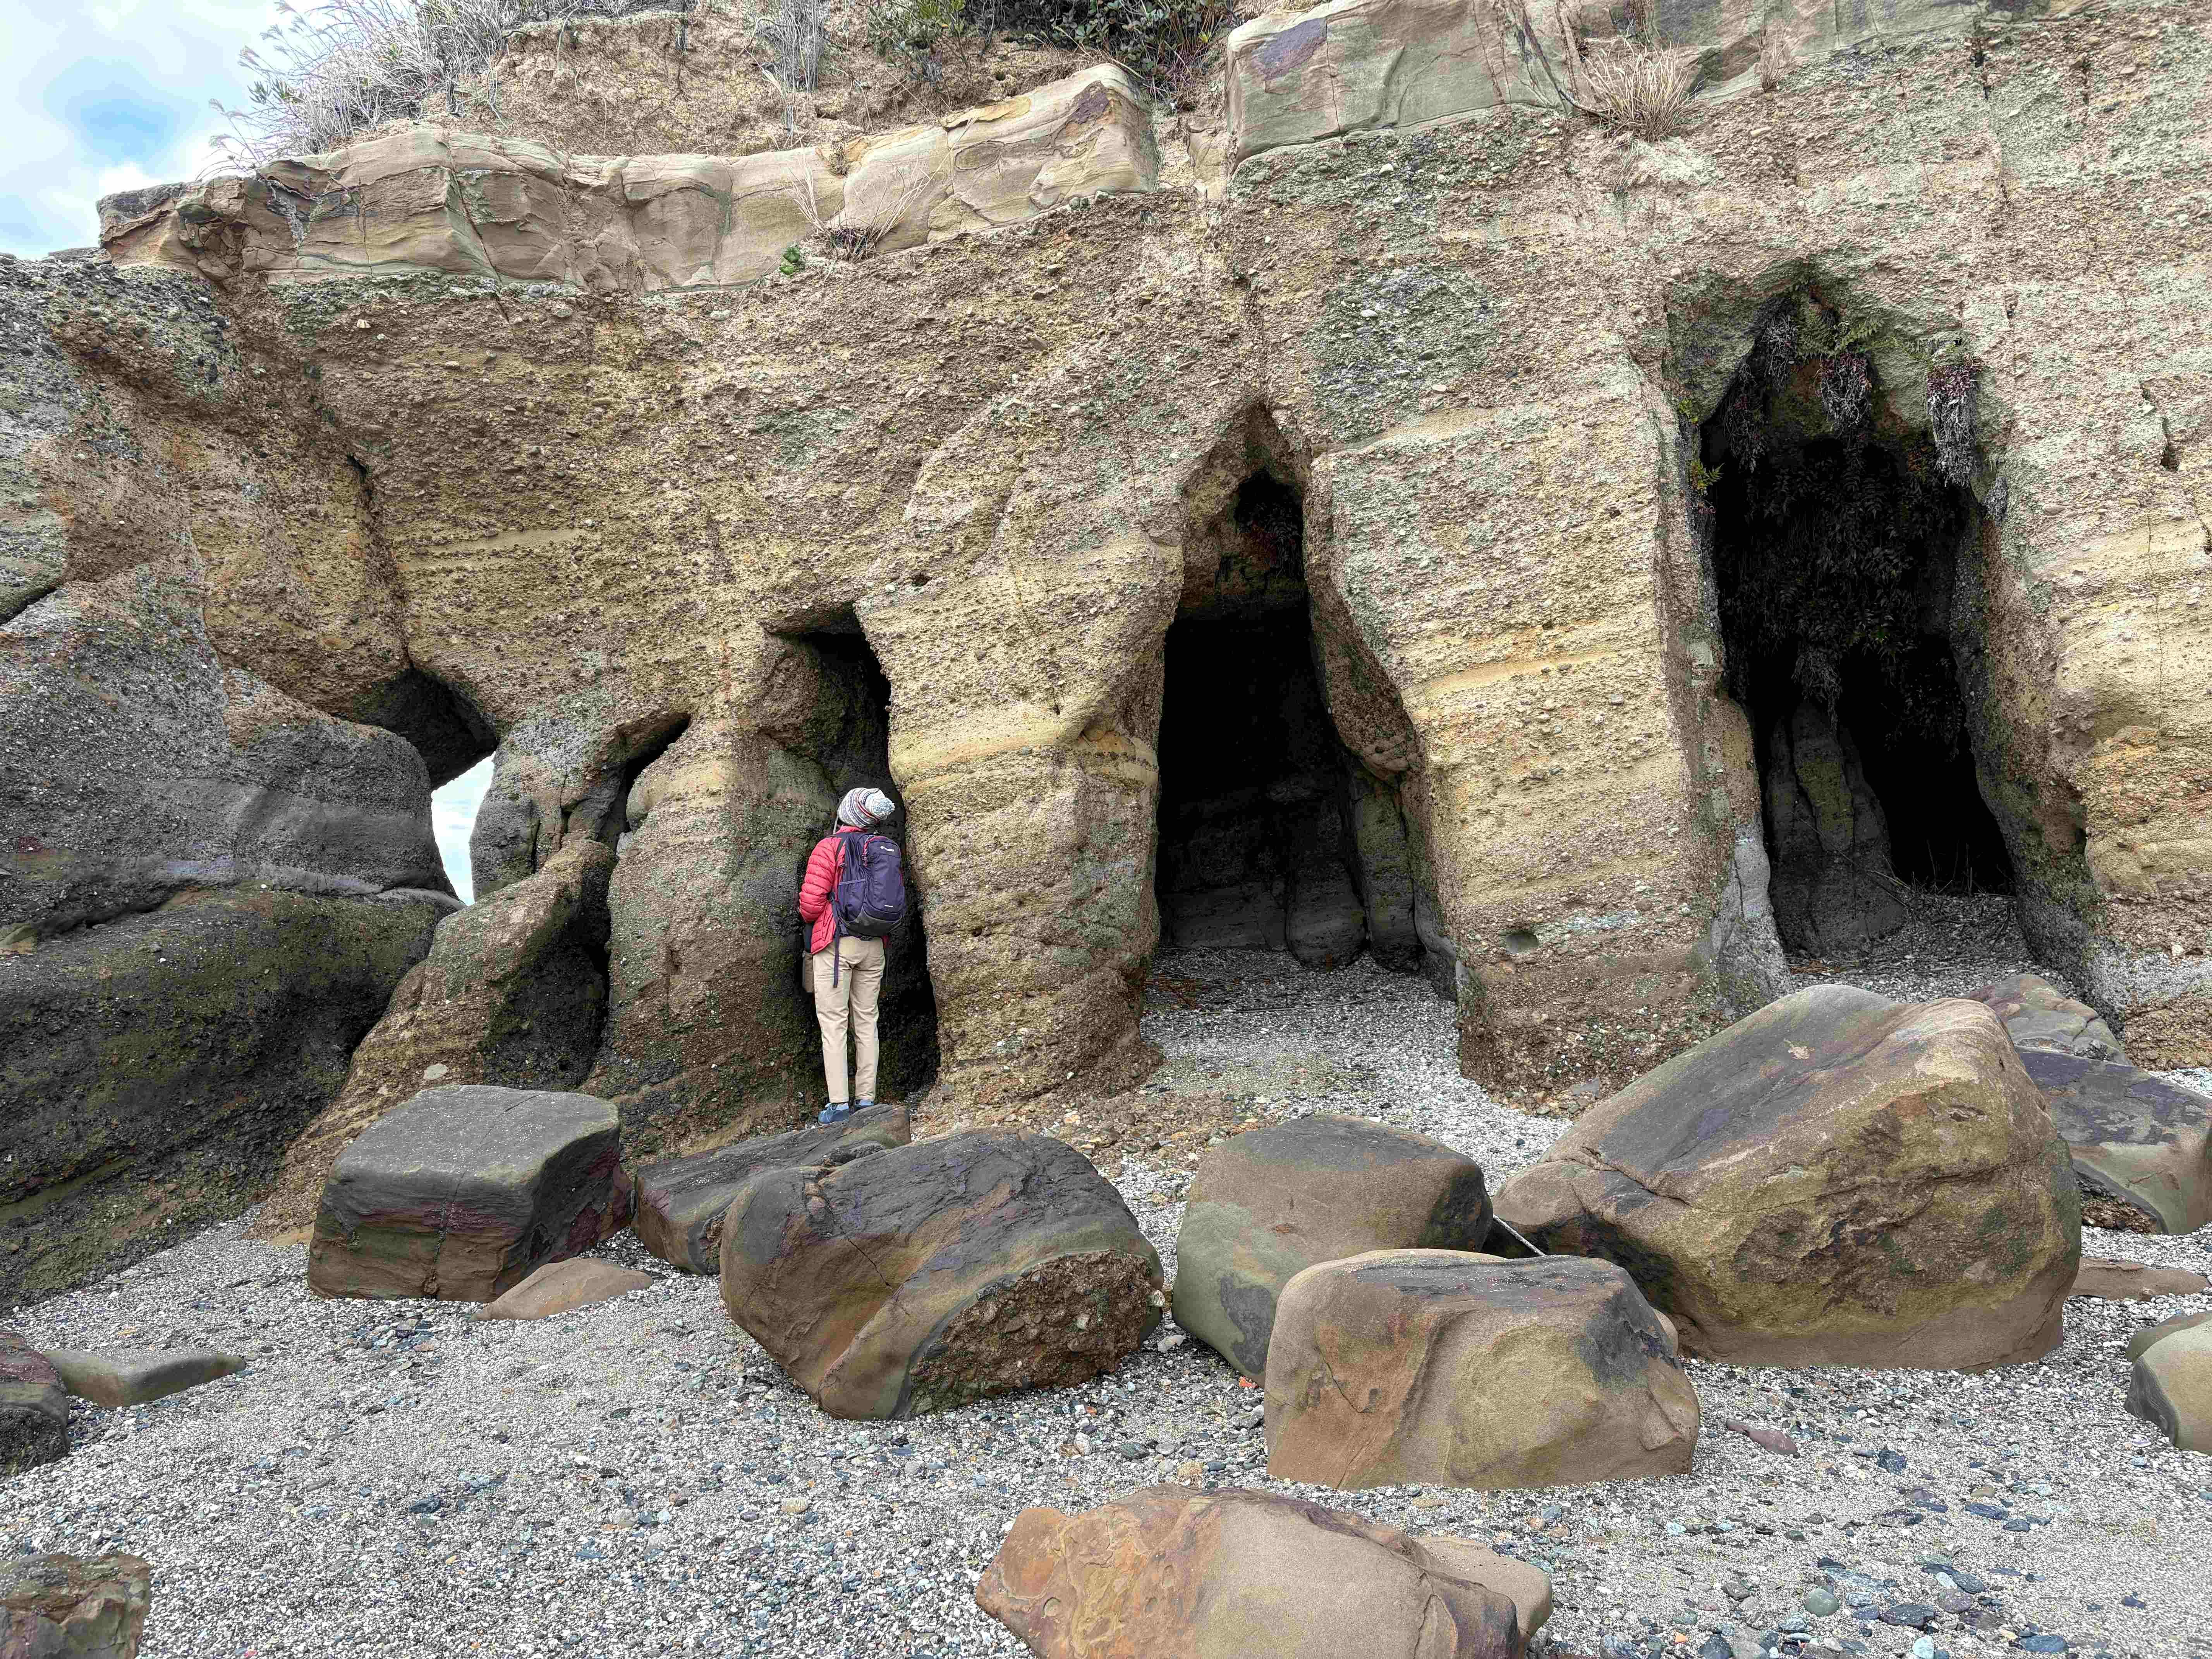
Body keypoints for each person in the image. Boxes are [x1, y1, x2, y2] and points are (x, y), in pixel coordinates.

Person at [797, 787, 902, 1124]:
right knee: (867, 1020)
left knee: (834, 1024)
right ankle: (867, 1100)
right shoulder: (882, 849)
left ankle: (840, 1105)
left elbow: (811, 904)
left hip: (837, 945)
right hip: (875, 945)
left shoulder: (830, 847)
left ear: (847, 813)